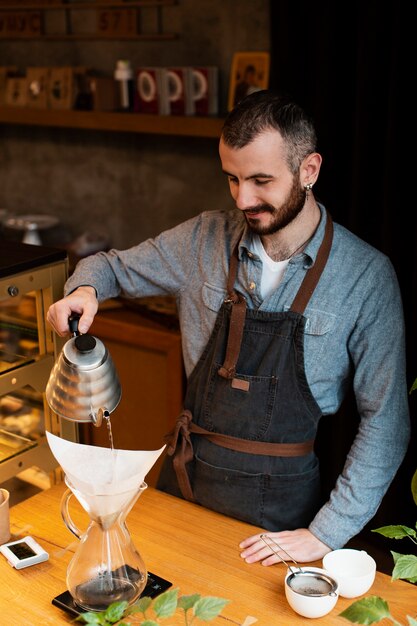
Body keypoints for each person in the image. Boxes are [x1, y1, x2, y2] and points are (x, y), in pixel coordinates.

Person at [47, 90, 410, 567]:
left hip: (281, 519)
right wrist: (86, 290)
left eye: (261, 180)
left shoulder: (365, 276)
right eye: (232, 179)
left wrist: (327, 533)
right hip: (184, 486)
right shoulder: (202, 238)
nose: (243, 199)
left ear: (309, 170)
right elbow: (109, 267)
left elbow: (386, 422)